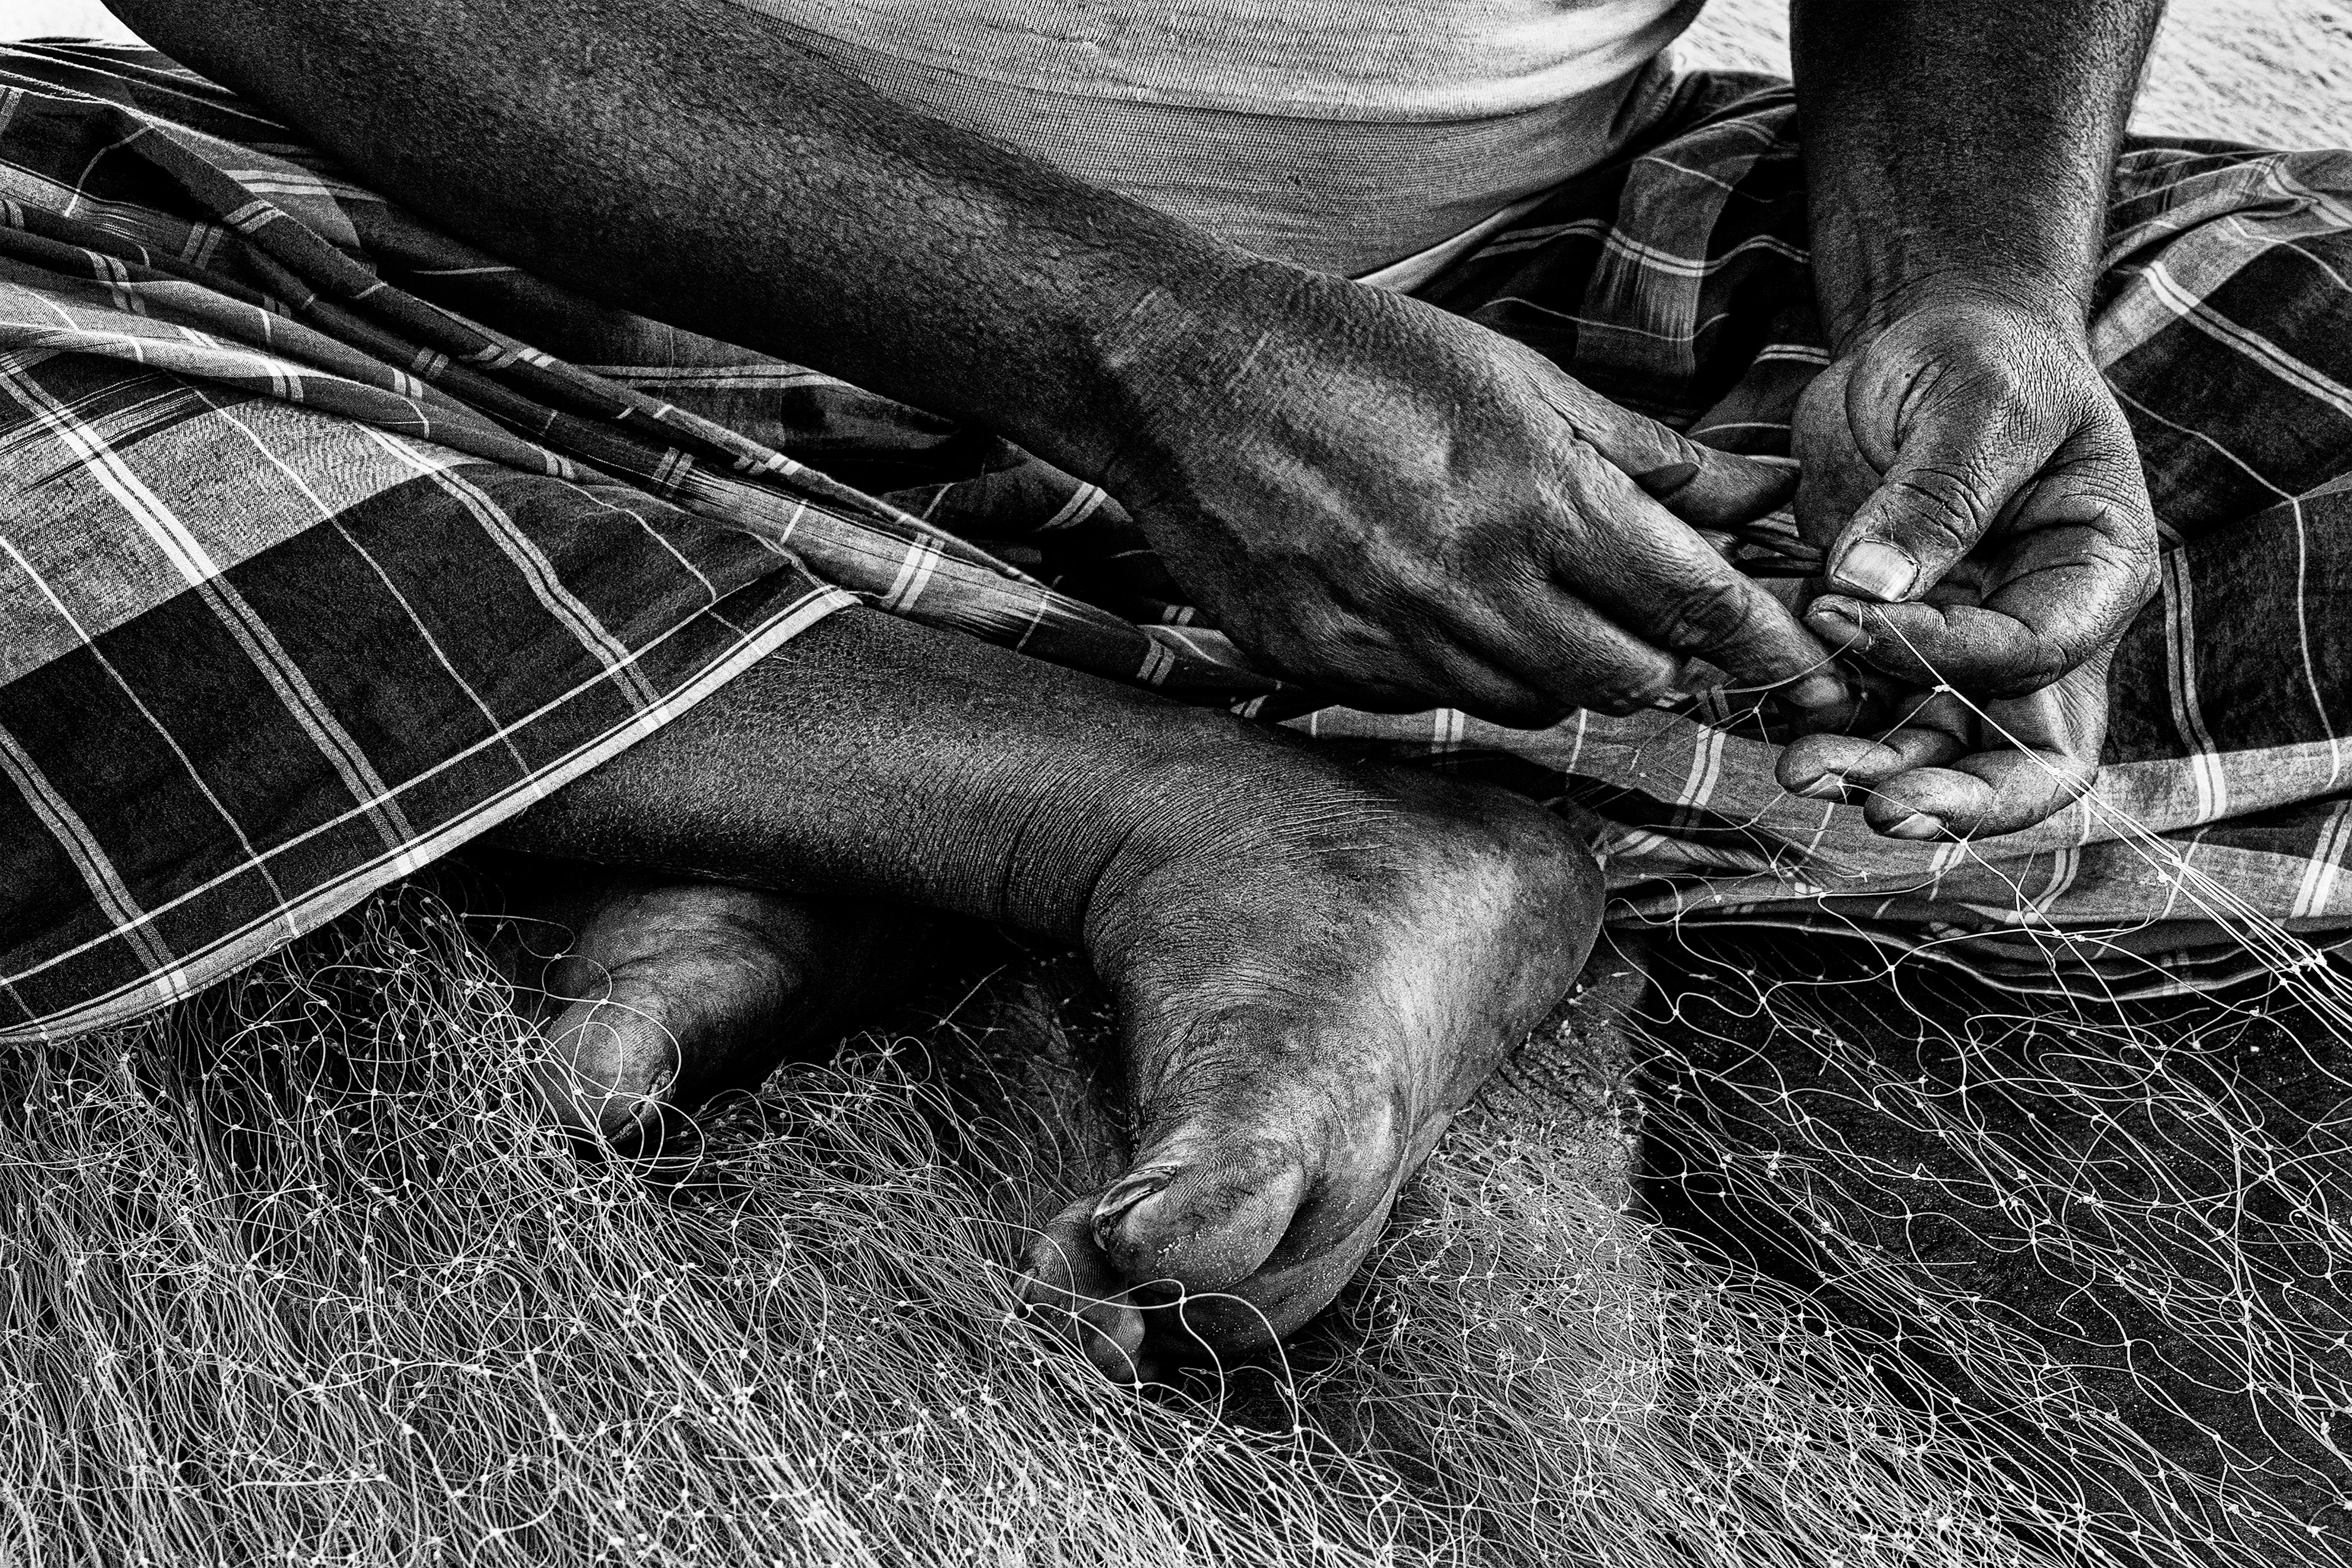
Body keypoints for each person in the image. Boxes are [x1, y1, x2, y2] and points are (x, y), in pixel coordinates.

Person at [0, 0, 2343, 1380]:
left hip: (1530, 357)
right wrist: (1143, 360)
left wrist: (1958, 297)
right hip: (431, 284)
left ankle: (751, 754)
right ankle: (1160, 801)